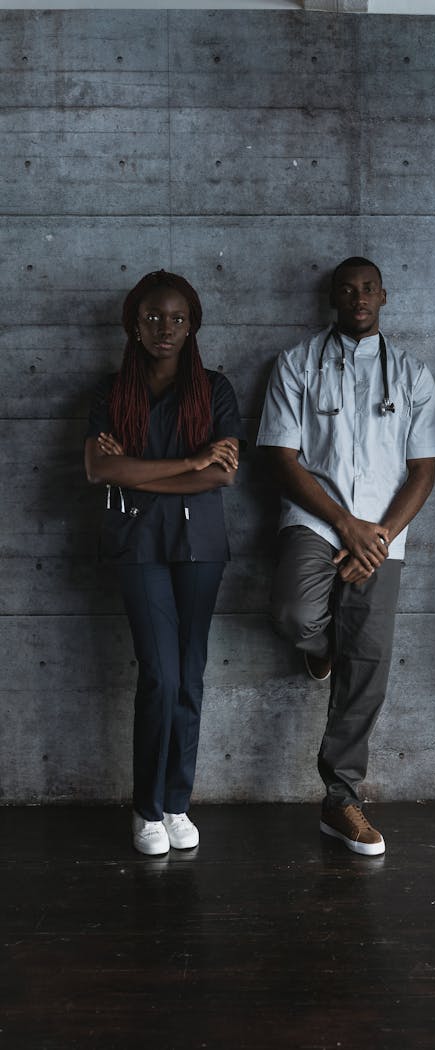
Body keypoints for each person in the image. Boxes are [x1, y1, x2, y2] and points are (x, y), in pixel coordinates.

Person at [257, 257, 435, 856]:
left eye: (368, 288)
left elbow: (423, 470)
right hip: (315, 520)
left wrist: (380, 536)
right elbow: (282, 459)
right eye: (348, 288)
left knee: (369, 660)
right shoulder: (296, 364)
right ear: (333, 296)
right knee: (293, 614)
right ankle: (320, 652)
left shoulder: (413, 373)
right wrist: (345, 525)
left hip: (385, 534)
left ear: (383, 295)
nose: (358, 296)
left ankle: (342, 797)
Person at [85, 270, 243, 856]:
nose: (165, 328)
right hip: (136, 546)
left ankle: (178, 801)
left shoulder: (215, 388)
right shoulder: (110, 392)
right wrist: (189, 464)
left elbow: (223, 474)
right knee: (161, 675)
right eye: (153, 317)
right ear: (133, 324)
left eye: (177, 318)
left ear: (193, 325)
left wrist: (145, 469)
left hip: (200, 546)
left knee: (190, 675)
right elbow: (100, 471)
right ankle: (147, 807)